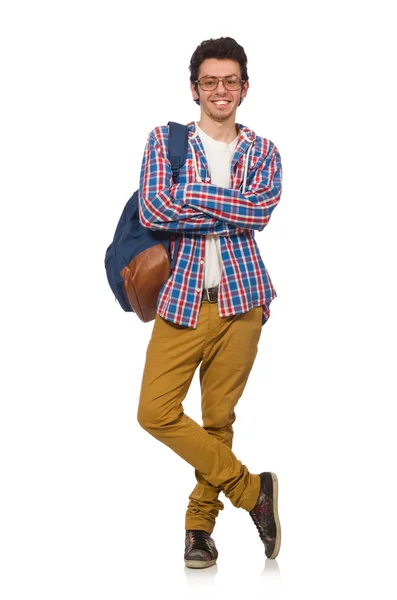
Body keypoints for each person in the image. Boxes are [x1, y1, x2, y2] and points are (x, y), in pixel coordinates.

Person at [137, 37, 282, 569]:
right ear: (194, 87)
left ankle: (199, 529)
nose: (219, 90)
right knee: (154, 411)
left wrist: (191, 196)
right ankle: (251, 492)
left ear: (244, 88)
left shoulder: (264, 151)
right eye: (209, 81)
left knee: (217, 419)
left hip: (243, 303)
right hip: (182, 303)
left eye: (230, 81)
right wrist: (230, 208)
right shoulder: (165, 142)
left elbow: (259, 211)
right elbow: (154, 209)